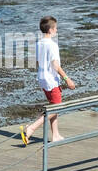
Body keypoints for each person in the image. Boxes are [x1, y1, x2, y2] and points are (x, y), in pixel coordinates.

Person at [21, 16, 76, 146]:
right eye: (56, 28)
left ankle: (55, 135)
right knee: (56, 107)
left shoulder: (38, 43)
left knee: (53, 104)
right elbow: (56, 66)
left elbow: (39, 62)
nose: (57, 30)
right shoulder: (53, 45)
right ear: (51, 30)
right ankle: (31, 128)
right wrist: (67, 79)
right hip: (51, 80)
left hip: (42, 78)